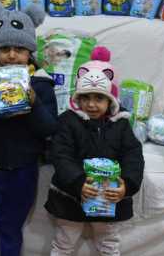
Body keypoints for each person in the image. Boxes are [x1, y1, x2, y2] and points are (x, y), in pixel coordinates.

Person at [0, 3, 59, 256]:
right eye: (5, 49)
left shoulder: (42, 83)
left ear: (30, 52)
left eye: (20, 49)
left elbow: (50, 128)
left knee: (11, 229)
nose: (12, 55)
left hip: (23, 170)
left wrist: (34, 102)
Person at [45, 49, 144, 256]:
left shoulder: (121, 124)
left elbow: (133, 155)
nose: (91, 104)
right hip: (71, 197)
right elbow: (61, 155)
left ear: (110, 101)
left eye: (99, 98)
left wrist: (127, 184)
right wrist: (78, 182)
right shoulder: (67, 121)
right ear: (77, 98)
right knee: (64, 244)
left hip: (108, 197)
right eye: (85, 97)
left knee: (109, 245)